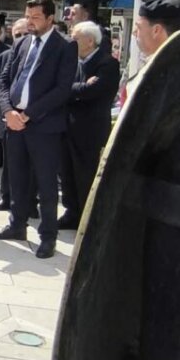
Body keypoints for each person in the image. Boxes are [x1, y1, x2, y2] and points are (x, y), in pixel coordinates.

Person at [0, 0, 78, 258]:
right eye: (28, 17)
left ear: (50, 18)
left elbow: (62, 89)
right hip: (14, 122)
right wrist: (8, 111)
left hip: (44, 126)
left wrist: (28, 114)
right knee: (16, 177)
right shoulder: (21, 43)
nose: (30, 22)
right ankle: (17, 225)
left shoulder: (65, 46)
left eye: (35, 17)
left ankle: (48, 236)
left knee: (46, 182)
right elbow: (4, 80)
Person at [58, 21, 121, 232]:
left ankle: (86, 218)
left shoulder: (107, 64)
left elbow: (92, 92)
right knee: (67, 173)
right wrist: (78, 88)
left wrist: (74, 90)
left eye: (75, 38)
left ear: (90, 41)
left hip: (90, 131)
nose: (71, 42)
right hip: (68, 126)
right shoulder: (74, 62)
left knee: (85, 174)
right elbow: (63, 88)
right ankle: (71, 212)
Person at [0, 19, 30, 212]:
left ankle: (29, 202)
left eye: (25, 34)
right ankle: (6, 197)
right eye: (17, 34)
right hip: (6, 117)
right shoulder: (4, 56)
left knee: (30, 164)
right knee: (9, 162)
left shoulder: (38, 56)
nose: (21, 38)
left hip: (30, 118)